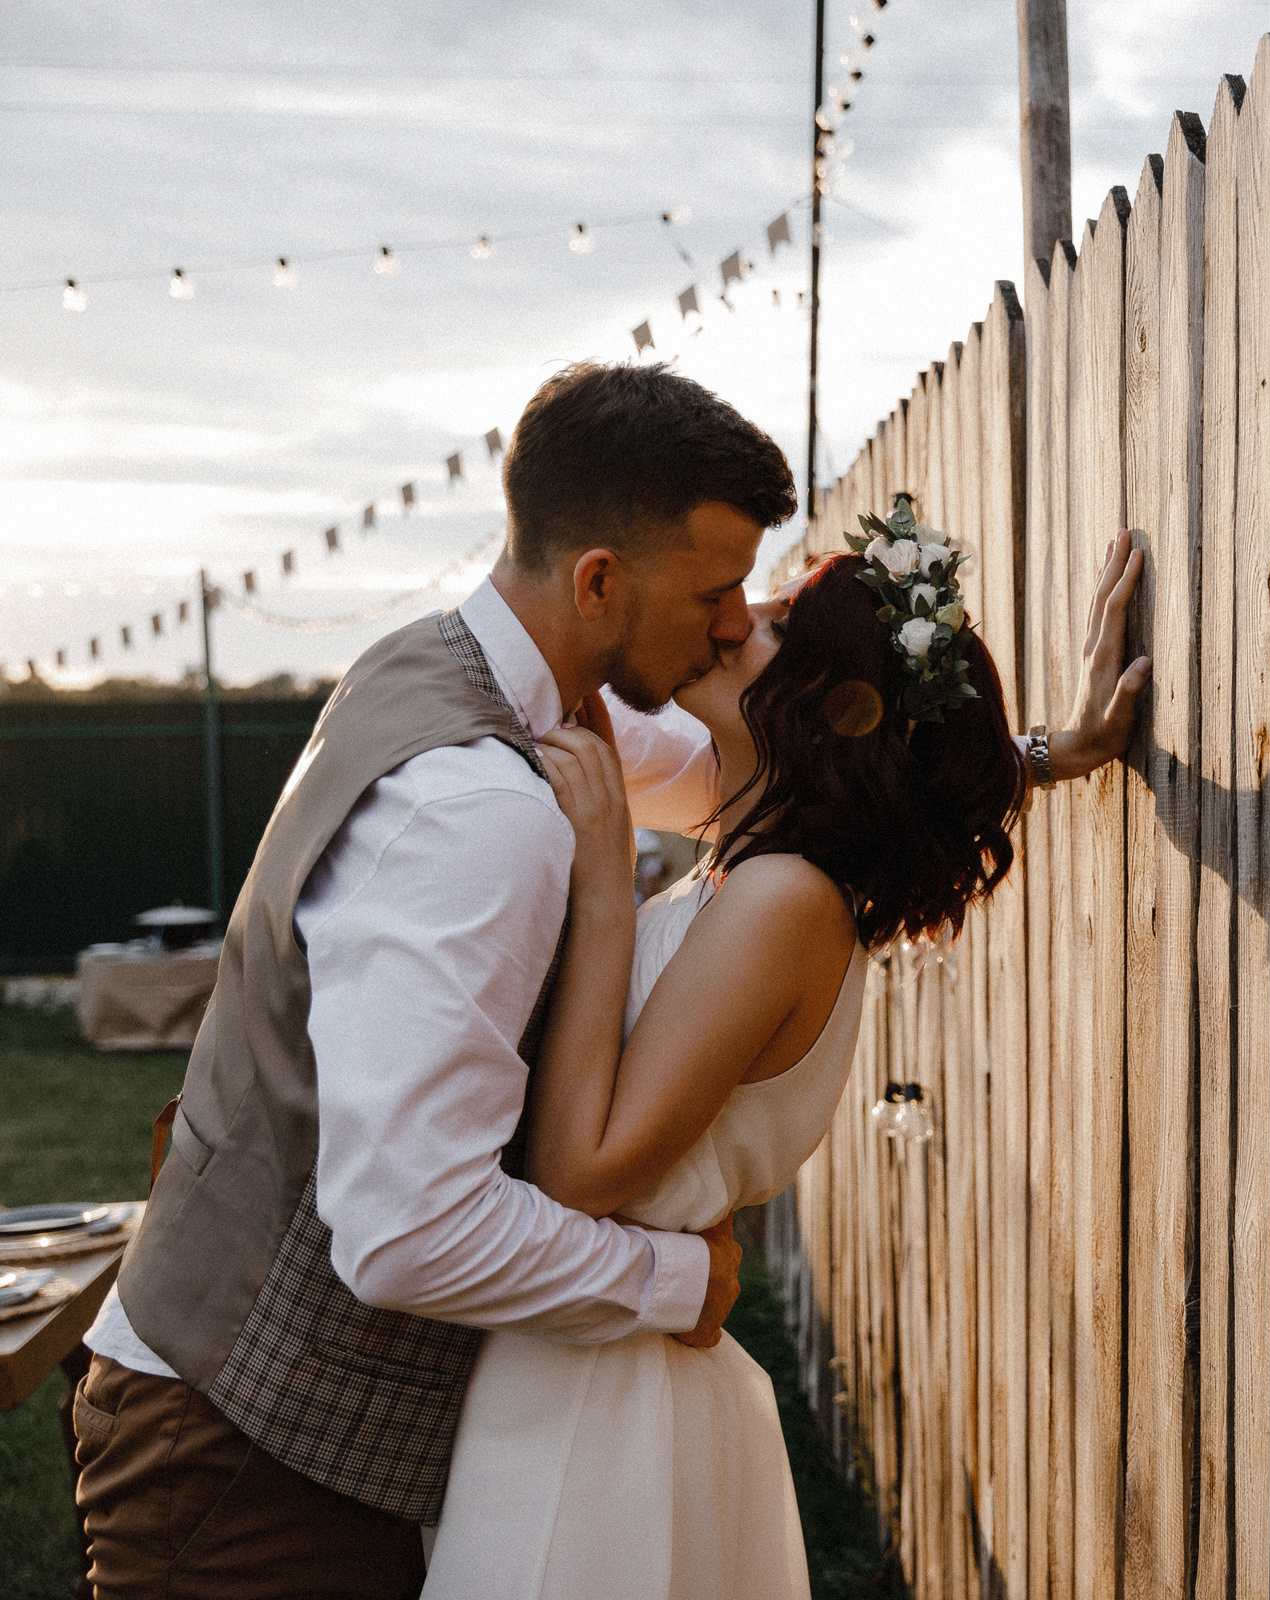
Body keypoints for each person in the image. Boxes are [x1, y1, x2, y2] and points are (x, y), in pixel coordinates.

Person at [70, 362, 1145, 1597]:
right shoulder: (479, 800)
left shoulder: (486, 689)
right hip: (249, 1450)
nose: (736, 620)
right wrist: (677, 1278)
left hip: (335, 1425)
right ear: (599, 582)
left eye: (756, 598)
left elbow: (818, 784)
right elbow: (414, 1231)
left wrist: (1036, 752)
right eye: (719, 590)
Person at [421, 512, 1146, 1597]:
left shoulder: (784, 900)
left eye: (771, 628)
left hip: (602, 1410)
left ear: (823, 712)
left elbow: (580, 1172)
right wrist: (1046, 753)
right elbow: (887, 774)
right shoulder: (749, 845)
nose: (731, 620)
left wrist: (607, 884)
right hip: (587, 1356)